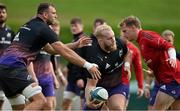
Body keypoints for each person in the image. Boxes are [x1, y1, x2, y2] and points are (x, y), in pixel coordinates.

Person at [0, 3, 101, 110]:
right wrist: (88, 65)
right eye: (53, 13)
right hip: (15, 67)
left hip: (3, 67)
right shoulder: (44, 28)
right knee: (41, 101)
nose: (56, 16)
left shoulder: (30, 24)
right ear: (45, 14)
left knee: (19, 107)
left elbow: (50, 49)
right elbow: (63, 51)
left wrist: (75, 45)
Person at [120, 16, 180, 110]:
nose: (124, 34)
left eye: (125, 31)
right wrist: (154, 73)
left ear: (133, 28)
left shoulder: (146, 36)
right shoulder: (141, 40)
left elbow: (168, 46)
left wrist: (172, 58)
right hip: (170, 78)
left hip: (172, 78)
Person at [84, 24, 131, 110]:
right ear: (100, 40)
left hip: (116, 86)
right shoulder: (95, 57)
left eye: (113, 36)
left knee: (118, 108)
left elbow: (128, 53)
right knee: (90, 106)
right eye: (109, 38)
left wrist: (127, 66)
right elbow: (91, 84)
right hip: (98, 89)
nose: (113, 40)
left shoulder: (119, 43)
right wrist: (88, 100)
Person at [144, 29, 180, 110]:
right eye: (165, 41)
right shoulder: (156, 56)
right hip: (159, 86)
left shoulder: (177, 56)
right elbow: (150, 73)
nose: (167, 43)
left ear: (173, 41)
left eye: (169, 41)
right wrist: (147, 86)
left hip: (174, 85)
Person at [0, 3, 27, 110]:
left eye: (3, 12)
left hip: (5, 70)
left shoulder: (10, 32)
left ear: (6, 14)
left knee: (2, 98)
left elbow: (15, 52)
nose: (1, 14)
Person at [62, 17, 87, 110]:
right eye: (72, 26)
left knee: (83, 105)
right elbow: (72, 58)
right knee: (66, 102)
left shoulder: (83, 41)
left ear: (82, 26)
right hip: (72, 79)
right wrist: (67, 67)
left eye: (75, 26)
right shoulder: (75, 41)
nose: (73, 28)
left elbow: (80, 60)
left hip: (80, 79)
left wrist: (80, 78)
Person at [120, 33, 144, 109]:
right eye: (123, 31)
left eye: (126, 31)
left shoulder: (134, 50)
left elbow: (138, 69)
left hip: (124, 82)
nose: (125, 34)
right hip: (108, 81)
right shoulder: (112, 45)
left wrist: (140, 86)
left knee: (122, 107)